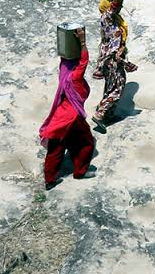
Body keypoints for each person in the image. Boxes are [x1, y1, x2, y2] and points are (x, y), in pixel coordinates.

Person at [39, 28, 96, 190]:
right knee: (86, 143)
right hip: (73, 117)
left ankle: (50, 180)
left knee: (56, 147)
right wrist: (83, 41)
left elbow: (67, 59)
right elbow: (84, 61)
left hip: (60, 116)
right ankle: (80, 171)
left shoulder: (64, 71)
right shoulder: (75, 78)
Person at [91, 0, 138, 134]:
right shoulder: (109, 16)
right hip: (113, 59)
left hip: (109, 59)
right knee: (118, 87)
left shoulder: (107, 18)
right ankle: (101, 114)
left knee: (111, 85)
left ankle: (108, 114)